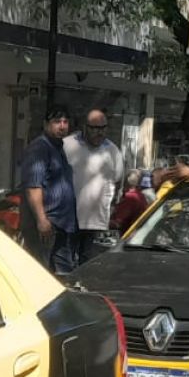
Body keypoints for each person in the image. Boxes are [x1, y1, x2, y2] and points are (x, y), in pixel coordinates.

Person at [19, 106, 78, 274]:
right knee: (40, 273)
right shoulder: (40, 148)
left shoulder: (58, 148)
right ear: (46, 124)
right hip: (46, 224)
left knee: (62, 276)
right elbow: (33, 186)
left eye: (65, 122)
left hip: (61, 225)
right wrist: (41, 219)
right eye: (57, 122)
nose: (62, 126)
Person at [63, 108, 124, 263]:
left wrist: (111, 209)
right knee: (65, 265)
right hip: (68, 219)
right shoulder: (68, 145)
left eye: (103, 128)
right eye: (95, 128)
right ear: (84, 127)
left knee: (89, 265)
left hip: (97, 222)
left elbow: (117, 182)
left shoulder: (112, 151)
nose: (100, 132)